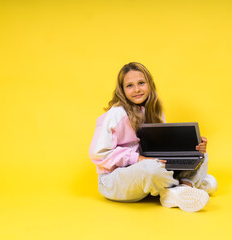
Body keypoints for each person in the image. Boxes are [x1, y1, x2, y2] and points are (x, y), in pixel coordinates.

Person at [89, 62, 217, 212]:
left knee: (200, 154)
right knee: (150, 168)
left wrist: (190, 145)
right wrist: (138, 159)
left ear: (149, 84)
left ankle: (180, 188)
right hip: (114, 181)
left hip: (149, 170)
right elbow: (98, 153)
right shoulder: (116, 114)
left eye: (141, 83)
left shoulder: (155, 111)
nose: (137, 89)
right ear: (122, 90)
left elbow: (162, 148)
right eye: (129, 86)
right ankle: (187, 186)